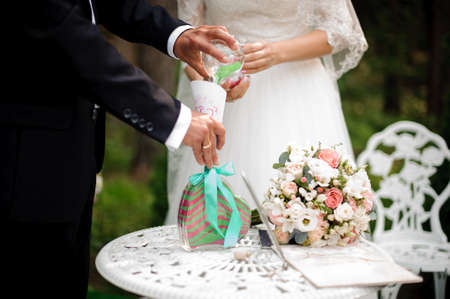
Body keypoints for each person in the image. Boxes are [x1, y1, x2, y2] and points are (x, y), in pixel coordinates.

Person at [1, 0, 239, 297]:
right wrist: (174, 118)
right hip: (24, 166)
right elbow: (71, 38)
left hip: (70, 154)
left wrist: (175, 35)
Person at [165, 0, 368, 224]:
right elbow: (186, 41)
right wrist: (210, 81)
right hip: (229, 98)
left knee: (307, 215)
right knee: (216, 224)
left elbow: (338, 31)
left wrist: (277, 52)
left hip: (300, 96)